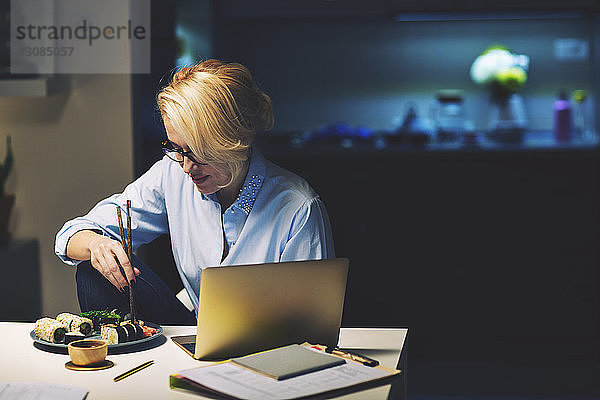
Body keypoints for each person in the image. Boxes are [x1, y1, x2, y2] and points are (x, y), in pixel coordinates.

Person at [55, 59, 335, 325]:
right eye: (178, 149)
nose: (187, 167)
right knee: (93, 270)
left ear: (235, 141)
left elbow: (311, 323)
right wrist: (96, 245)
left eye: (200, 153)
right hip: (196, 332)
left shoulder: (298, 208)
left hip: (269, 346)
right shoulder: (172, 173)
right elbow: (72, 234)